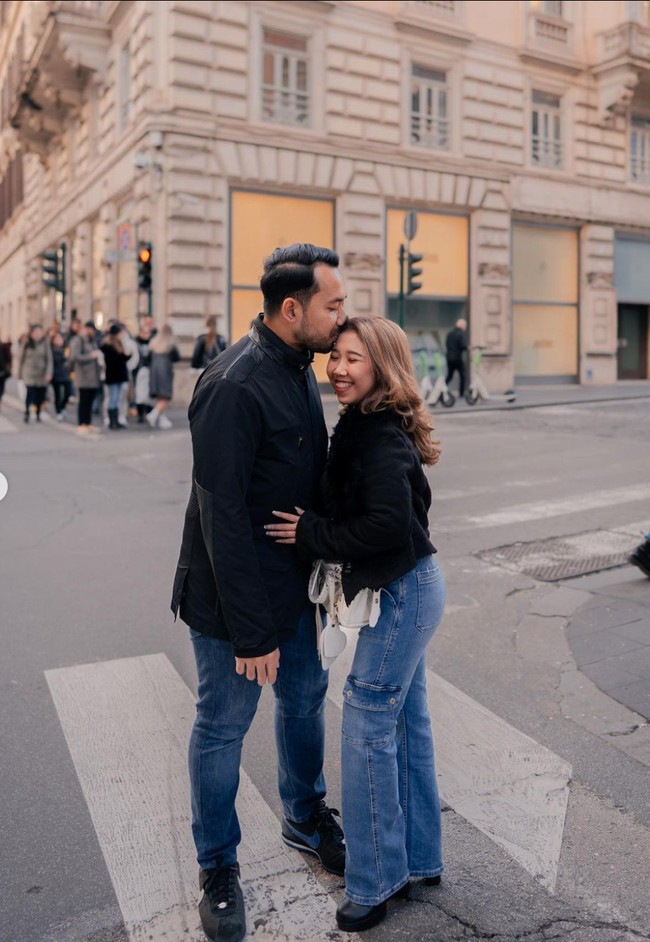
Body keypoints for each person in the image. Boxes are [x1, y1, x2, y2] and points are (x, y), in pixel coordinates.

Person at [171, 243, 347, 942]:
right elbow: (222, 519)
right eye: (333, 305)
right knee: (222, 725)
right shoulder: (233, 385)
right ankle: (217, 867)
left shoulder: (299, 367)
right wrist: (251, 634)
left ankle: (305, 817)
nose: (343, 317)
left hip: (295, 585)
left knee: (304, 700)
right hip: (229, 599)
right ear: (293, 308)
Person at [266, 315, 445, 934]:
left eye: (354, 359)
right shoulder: (368, 423)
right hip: (413, 584)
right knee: (406, 723)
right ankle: (419, 859)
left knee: (367, 722)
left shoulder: (375, 436)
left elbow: (389, 526)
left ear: (382, 368)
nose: (338, 369)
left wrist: (311, 533)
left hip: (403, 592)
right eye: (335, 356)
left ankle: (373, 883)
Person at [69, 321, 103, 435]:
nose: (92, 332)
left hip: (93, 376)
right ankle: (81, 423)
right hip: (83, 376)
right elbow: (75, 357)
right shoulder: (78, 340)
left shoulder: (91, 341)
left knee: (89, 401)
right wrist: (91, 356)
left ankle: (88, 423)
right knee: (83, 401)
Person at [146, 323, 181, 429]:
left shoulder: (153, 342)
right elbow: (177, 358)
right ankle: (154, 414)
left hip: (154, 371)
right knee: (165, 396)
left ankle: (162, 419)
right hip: (165, 370)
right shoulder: (170, 343)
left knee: (159, 396)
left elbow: (147, 358)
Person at [18, 324, 53, 423]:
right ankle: (27, 412)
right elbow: (20, 358)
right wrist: (19, 374)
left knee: (40, 395)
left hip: (41, 374)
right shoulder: (27, 344)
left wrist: (49, 373)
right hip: (29, 374)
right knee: (30, 394)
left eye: (39, 333)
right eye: (35, 333)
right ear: (32, 334)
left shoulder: (45, 344)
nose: (37, 335)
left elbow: (49, 360)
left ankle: (38, 413)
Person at [101, 324, 130, 429]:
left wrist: (127, 356)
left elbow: (122, 359)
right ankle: (112, 421)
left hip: (119, 375)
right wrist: (123, 356)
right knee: (113, 398)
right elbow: (114, 361)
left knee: (117, 399)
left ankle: (116, 420)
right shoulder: (108, 346)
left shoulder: (118, 344)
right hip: (113, 376)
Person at [445, 317, 468, 398]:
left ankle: (442, 389)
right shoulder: (461, 334)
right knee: (463, 375)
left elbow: (447, 344)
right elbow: (463, 346)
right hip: (457, 358)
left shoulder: (450, 333)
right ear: (462, 326)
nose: (465, 328)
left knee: (449, 375)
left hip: (449, 358)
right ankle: (461, 394)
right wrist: (468, 347)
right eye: (465, 326)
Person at [50, 332, 71, 421]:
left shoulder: (66, 350)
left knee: (68, 393)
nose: (58, 341)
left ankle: (63, 407)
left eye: (60, 339)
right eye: (56, 339)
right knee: (57, 395)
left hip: (65, 374)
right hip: (55, 375)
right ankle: (58, 411)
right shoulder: (51, 350)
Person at [0, 331, 12, 410]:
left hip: (2, 372)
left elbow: (9, 359)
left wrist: (8, 368)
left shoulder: (4, 346)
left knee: (1, 389)